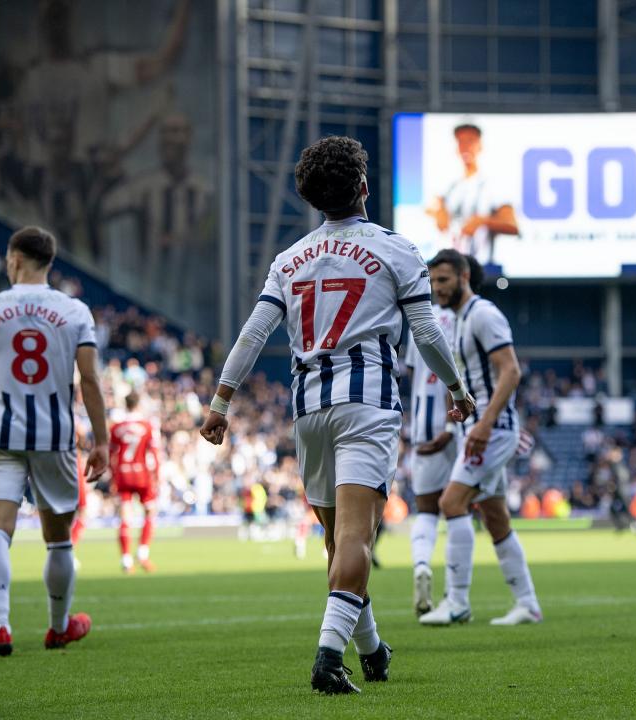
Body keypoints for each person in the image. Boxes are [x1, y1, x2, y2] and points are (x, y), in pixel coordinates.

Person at [198, 136, 474, 694]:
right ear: (364, 188)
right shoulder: (397, 249)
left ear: (313, 198)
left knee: (335, 541)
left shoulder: (289, 259)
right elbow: (424, 331)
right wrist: (458, 388)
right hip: (366, 398)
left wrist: (220, 402)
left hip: (308, 407)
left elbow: (255, 333)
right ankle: (328, 657)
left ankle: (370, 648)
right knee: (357, 536)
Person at [0, 226, 109, 657]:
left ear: (13, 260)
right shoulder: (75, 311)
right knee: (58, 538)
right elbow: (88, 379)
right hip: (54, 435)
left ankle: (0, 628)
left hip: (1, 432)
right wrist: (102, 441)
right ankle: (58, 627)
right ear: (50, 264)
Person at [419, 249, 542, 627]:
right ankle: (527, 604)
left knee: (452, 501)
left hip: (494, 431)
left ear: (463, 276)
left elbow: (510, 371)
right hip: (476, 428)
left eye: (443, 280)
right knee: (495, 516)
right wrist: (452, 424)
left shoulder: (484, 315)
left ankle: (457, 601)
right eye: (433, 281)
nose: (436, 288)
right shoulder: (456, 321)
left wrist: (484, 424)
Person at [406, 253, 485, 616]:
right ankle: (458, 595)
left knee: (426, 509)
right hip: (461, 423)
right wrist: (452, 427)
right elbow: (459, 374)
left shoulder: (419, 320)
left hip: (425, 428)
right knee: (458, 508)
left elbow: (414, 373)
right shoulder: (465, 319)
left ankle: (422, 565)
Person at [425, 123, 519, 267]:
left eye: (470, 141)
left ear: (480, 145)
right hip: (449, 267)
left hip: (481, 268)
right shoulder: (450, 186)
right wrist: (439, 213)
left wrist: (483, 221)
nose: (465, 146)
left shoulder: (492, 184)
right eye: (461, 142)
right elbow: (431, 212)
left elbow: (512, 225)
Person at [109, 392, 160, 573]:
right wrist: (157, 477)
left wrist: (113, 476)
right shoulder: (147, 426)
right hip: (142, 474)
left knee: (125, 516)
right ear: (138, 404)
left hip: (122, 474)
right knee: (150, 511)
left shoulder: (116, 427)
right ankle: (143, 554)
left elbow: (111, 454)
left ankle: (126, 560)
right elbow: (153, 453)